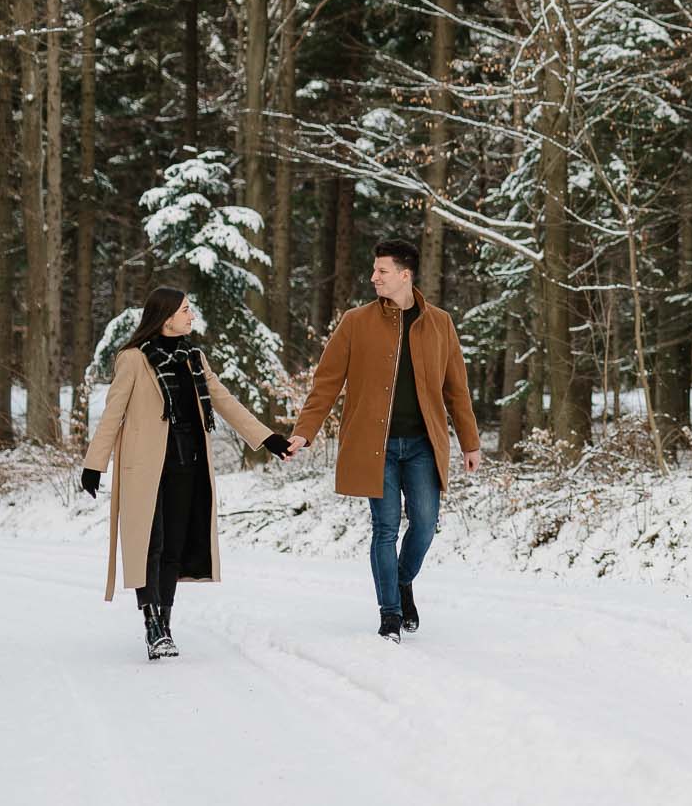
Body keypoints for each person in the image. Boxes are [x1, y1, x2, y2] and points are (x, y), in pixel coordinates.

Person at [79, 286, 292, 660]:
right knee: (152, 543)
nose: (192, 316)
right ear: (165, 317)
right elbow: (113, 413)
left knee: (174, 545)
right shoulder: (133, 359)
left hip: (186, 463)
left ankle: (165, 621)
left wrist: (268, 438)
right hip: (145, 468)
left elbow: (224, 401)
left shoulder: (194, 358)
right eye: (186, 310)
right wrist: (94, 466)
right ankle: (152, 625)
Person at [288, 237, 481, 642]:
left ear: (405, 275)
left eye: (382, 271)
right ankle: (390, 612)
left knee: (426, 525)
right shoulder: (355, 322)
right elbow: (326, 383)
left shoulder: (440, 323)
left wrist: (470, 441)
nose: (373, 277)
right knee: (386, 529)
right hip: (376, 447)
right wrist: (304, 432)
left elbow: (456, 389)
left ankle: (401, 580)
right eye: (374, 270)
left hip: (423, 446)